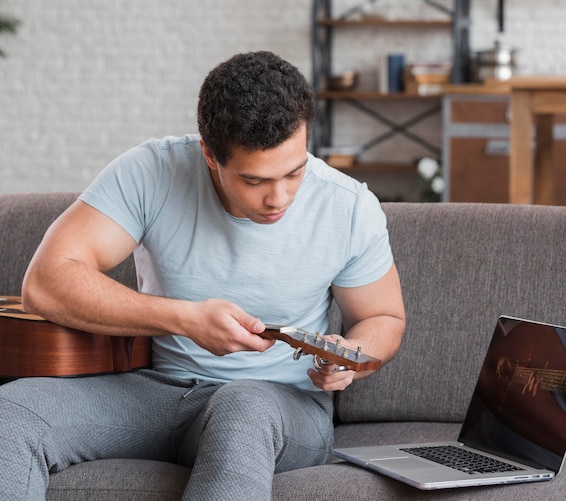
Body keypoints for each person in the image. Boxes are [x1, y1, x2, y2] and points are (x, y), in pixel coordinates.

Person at [0, 51, 405, 500]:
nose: (280, 197)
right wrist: (184, 319)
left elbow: (384, 317)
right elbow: (46, 282)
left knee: (242, 406)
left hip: (280, 405)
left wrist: (352, 355)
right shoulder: (153, 171)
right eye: (254, 181)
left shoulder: (347, 206)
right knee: (12, 413)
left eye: (295, 171)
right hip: (155, 391)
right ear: (210, 154)